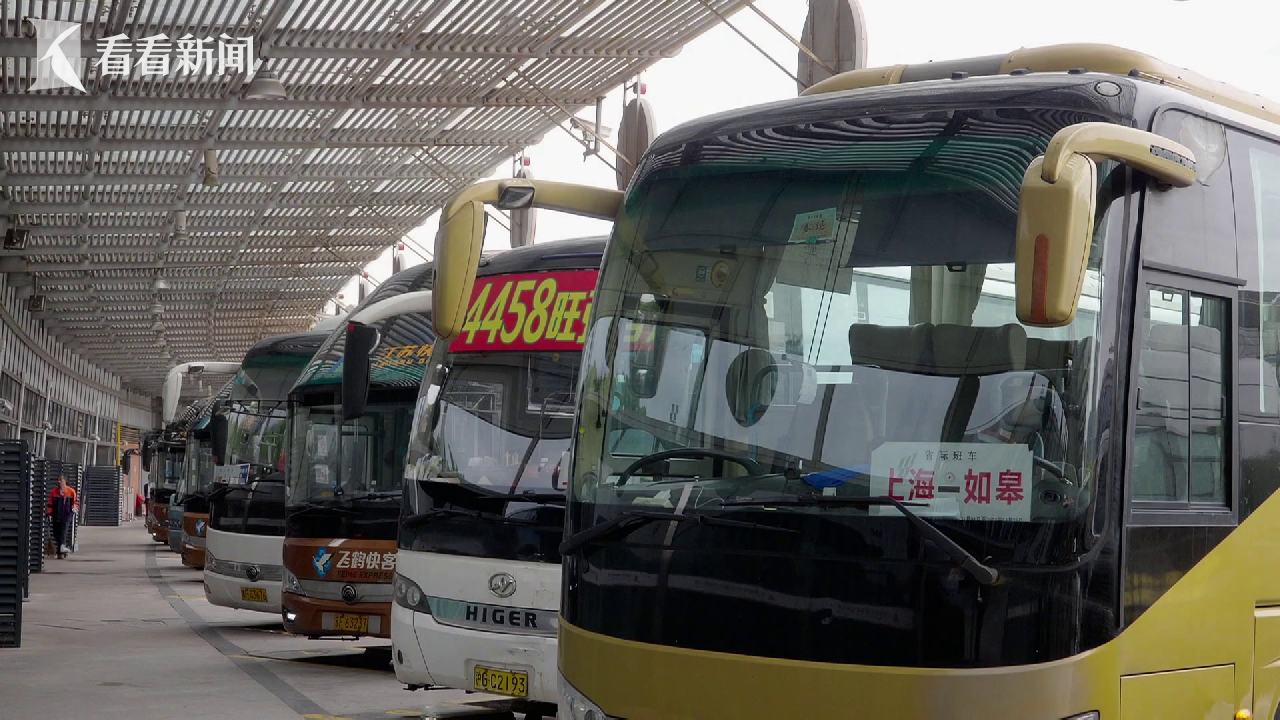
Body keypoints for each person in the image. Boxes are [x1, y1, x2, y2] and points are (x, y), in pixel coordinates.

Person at [47, 475, 79, 559]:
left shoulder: (71, 491)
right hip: (56, 515)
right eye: (58, 480)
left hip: (66, 515)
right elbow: (50, 504)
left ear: (65, 481)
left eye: (61, 480)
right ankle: (61, 549)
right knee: (56, 533)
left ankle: (61, 549)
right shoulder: (53, 492)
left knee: (63, 532)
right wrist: (49, 513)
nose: (59, 482)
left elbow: (75, 502)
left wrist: (74, 508)